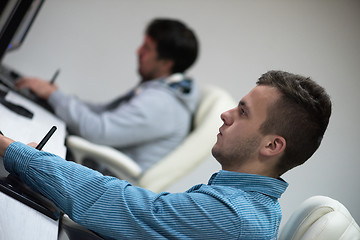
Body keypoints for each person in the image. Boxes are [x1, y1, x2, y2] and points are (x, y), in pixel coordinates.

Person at [0, 70, 332, 239]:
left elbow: (124, 206)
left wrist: (15, 152)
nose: (225, 115)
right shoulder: (250, 205)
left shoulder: (234, 217)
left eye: (243, 112)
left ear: (272, 145)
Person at [15, 18, 200, 171]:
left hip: (99, 175)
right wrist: (54, 95)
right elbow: (102, 111)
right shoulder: (161, 89)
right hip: (93, 163)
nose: (138, 51)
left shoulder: (161, 104)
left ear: (167, 63)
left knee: (16, 144)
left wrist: (54, 97)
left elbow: (97, 130)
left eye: (147, 48)